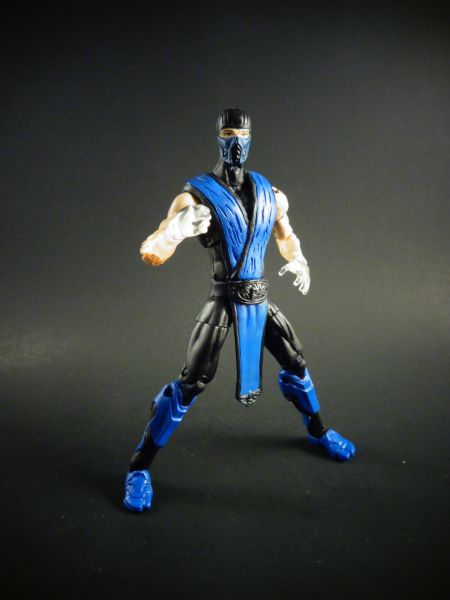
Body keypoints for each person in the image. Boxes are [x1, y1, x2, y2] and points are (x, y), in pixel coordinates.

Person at [123, 108, 355, 512]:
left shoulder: (270, 192)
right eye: (228, 133)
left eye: (243, 135)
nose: (236, 143)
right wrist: (175, 232)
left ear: (251, 139)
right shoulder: (194, 196)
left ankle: (318, 431)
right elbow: (152, 249)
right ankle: (138, 467)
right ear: (218, 137)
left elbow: (286, 235)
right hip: (223, 298)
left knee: (296, 362)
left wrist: (299, 260)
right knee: (191, 383)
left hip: (260, 297)